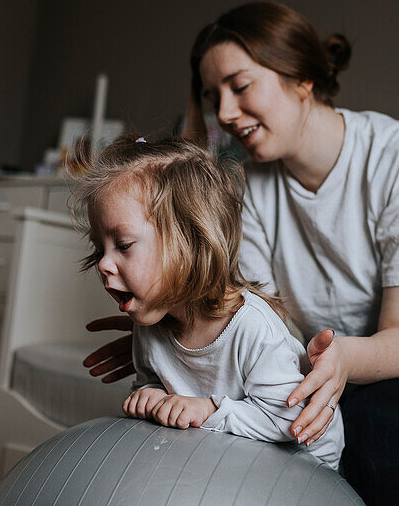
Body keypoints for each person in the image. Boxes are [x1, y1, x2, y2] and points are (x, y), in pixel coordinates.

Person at [84, 1, 399, 506]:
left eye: (240, 86)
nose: (228, 112)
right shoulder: (252, 186)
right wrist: (177, 328)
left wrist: (342, 365)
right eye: (214, 97)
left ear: (303, 77)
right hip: (333, 371)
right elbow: (251, 313)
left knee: (370, 423)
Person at [71, 133, 344, 469]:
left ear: (191, 242)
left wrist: (208, 410)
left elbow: (288, 420)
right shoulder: (149, 327)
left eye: (123, 245)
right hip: (225, 457)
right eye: (100, 249)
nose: (103, 264)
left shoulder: (252, 328)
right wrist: (152, 395)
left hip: (303, 465)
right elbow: (155, 381)